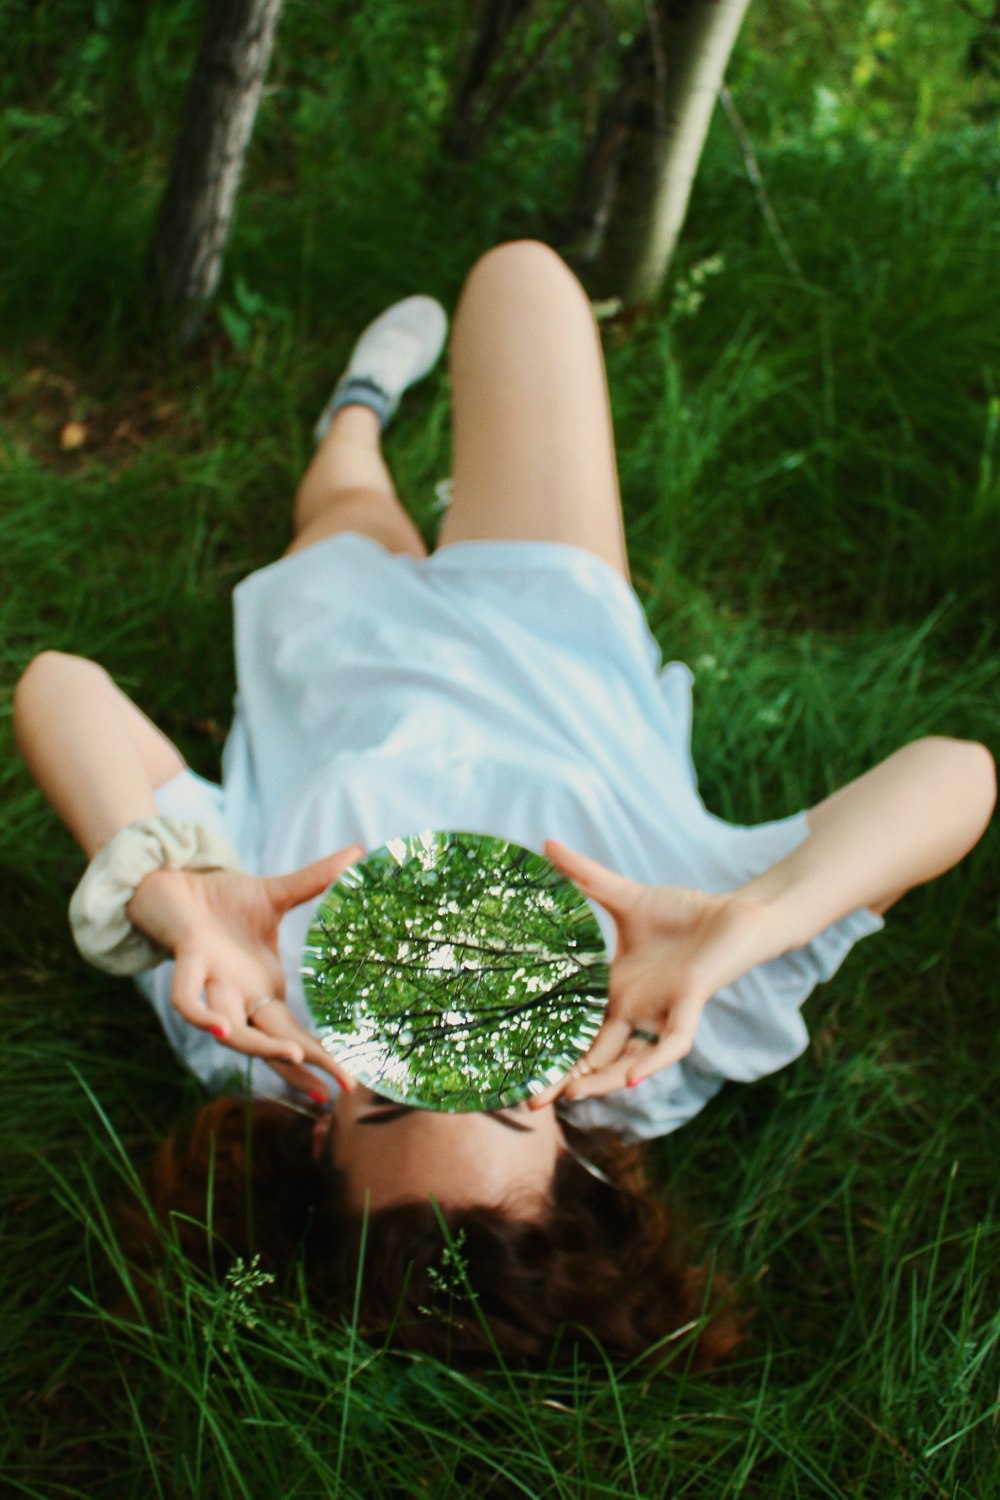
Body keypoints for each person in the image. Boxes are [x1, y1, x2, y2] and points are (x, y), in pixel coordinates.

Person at [13, 241, 995, 1369]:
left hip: (342, 652)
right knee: (523, 277)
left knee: (343, 497)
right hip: (547, 623)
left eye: (394, 1087)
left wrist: (172, 898)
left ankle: (360, 411)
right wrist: (756, 920)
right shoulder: (656, 1024)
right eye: (501, 1094)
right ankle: (388, 450)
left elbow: (59, 689)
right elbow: (956, 774)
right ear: (572, 1136)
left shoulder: (253, 1020)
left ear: (320, 1126)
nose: (451, 1020)